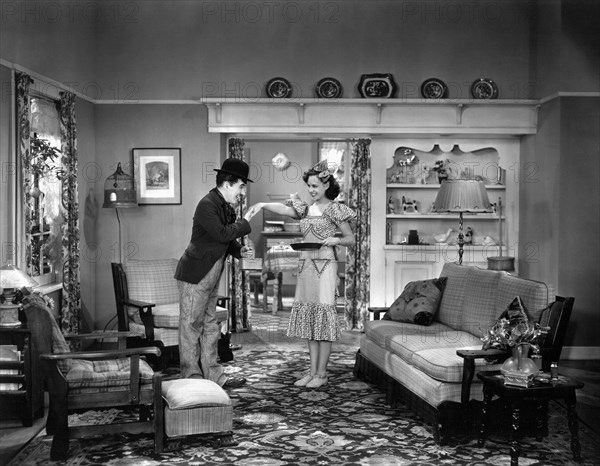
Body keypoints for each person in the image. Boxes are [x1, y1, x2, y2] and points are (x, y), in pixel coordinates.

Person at [245, 160, 356, 388]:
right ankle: (312, 370)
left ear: (326, 185)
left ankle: (322, 374)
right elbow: (286, 210)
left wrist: (336, 239)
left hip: (325, 265)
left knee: (323, 319)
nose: (312, 190)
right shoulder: (306, 208)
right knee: (309, 318)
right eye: (309, 186)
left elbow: (351, 239)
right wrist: (262, 204)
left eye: (315, 186)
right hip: (306, 264)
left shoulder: (335, 209)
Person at [175, 158, 255, 389]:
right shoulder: (207, 204)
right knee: (191, 325)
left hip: (211, 273)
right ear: (228, 184)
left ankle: (214, 376)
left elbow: (225, 241)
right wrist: (246, 221)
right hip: (195, 274)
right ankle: (191, 378)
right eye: (241, 186)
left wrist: (241, 250)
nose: (242, 192)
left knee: (210, 324)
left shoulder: (224, 206)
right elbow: (221, 234)